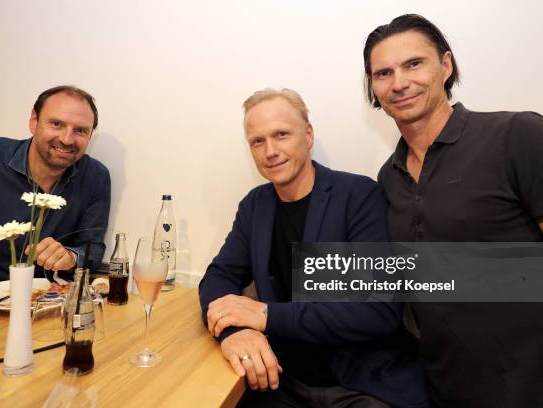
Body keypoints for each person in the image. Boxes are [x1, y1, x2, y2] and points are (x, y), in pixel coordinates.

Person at [199, 88, 428, 407]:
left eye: (281, 134)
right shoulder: (255, 206)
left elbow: (377, 311)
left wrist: (266, 316)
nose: (270, 151)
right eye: (258, 141)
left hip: (360, 386)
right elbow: (217, 279)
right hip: (280, 381)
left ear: (307, 135)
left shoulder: (358, 196)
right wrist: (233, 333)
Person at [364, 14, 543, 407]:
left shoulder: (516, 136)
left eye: (414, 63)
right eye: (383, 73)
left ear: (445, 66)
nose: (399, 83)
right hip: (445, 387)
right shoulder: (387, 178)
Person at [0, 85, 111, 329]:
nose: (67, 139)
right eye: (56, 124)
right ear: (34, 121)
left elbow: (92, 247)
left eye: (80, 130)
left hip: (42, 312)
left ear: (90, 135)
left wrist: (70, 256)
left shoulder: (96, 177)